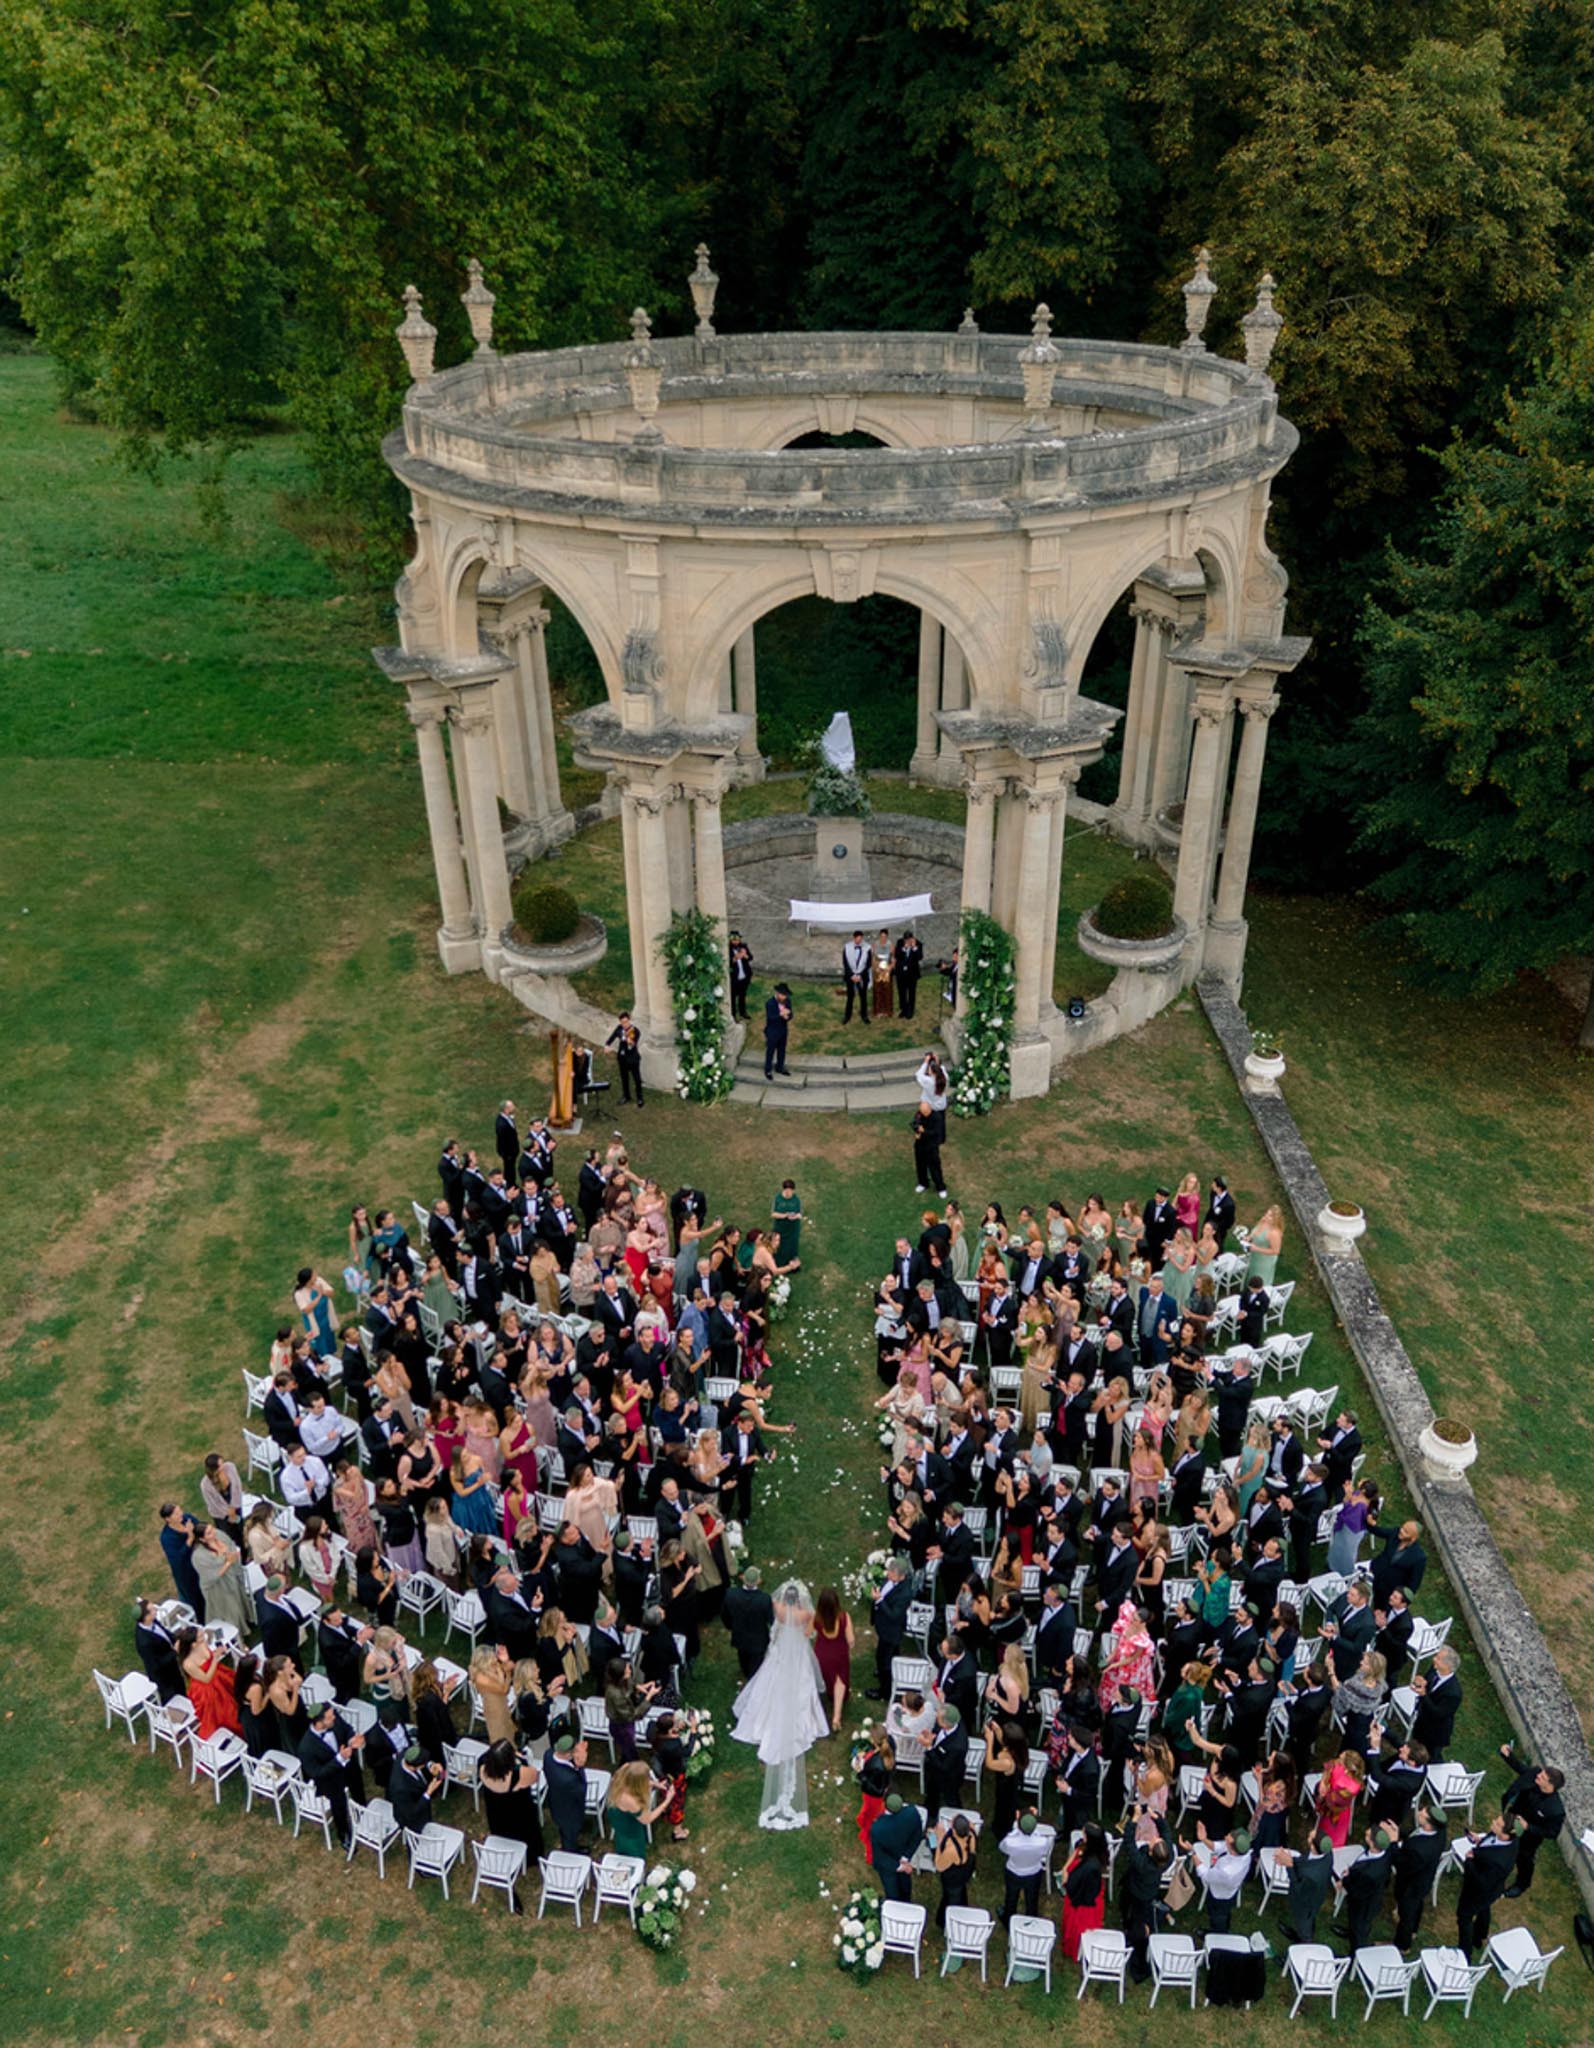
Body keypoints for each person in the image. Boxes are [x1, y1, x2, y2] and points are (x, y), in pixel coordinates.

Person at [729, 1577, 828, 1827]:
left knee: (768, 1683)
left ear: (786, 1598)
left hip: (782, 1653)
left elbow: (774, 1621)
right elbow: (809, 1632)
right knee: (802, 1688)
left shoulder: (779, 1609)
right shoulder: (807, 1612)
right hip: (797, 1654)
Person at [1499, 1740, 1566, 1896]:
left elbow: (1552, 1832)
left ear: (1550, 1786)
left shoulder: (1555, 1810)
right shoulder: (1535, 1775)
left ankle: (1522, 1884)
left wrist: (1528, 1827)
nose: (1538, 1776)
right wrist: (1508, 1755)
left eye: (1542, 1777)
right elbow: (1522, 1769)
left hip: (1528, 1837)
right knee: (1501, 1839)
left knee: (1524, 1859)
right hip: (1513, 1816)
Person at [298, 1698, 365, 1849]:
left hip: (349, 1767)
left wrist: (352, 1738)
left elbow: (347, 1729)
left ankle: (362, 1813)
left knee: (358, 1789)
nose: (334, 1717)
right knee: (339, 1807)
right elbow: (317, 1773)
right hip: (331, 1780)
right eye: (329, 1717)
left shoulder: (334, 1719)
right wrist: (339, 1759)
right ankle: (344, 1835)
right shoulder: (306, 1747)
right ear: (319, 1722)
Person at [1456, 1811, 1520, 1960]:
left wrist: (1469, 1861)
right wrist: (1480, 1841)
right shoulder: (1507, 1839)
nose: (1493, 1823)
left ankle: (1465, 1954)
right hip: (1493, 1889)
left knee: (1464, 1918)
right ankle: (1480, 1936)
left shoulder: (1498, 1862)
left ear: (1506, 1834)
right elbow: (1491, 1840)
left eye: (1497, 1824)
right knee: (1484, 1908)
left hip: (1479, 1892)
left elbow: (1481, 1882)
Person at [1060, 1823, 1107, 1960]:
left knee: (1077, 1927)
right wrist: (1065, 1868)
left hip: (1082, 1901)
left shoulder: (1089, 1866)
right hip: (1086, 1890)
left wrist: (1066, 1879)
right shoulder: (1095, 1850)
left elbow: (1073, 1885)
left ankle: (1075, 1949)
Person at [721, 1564, 776, 1678]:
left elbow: (725, 1615)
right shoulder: (764, 1599)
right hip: (758, 1639)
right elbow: (770, 1619)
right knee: (756, 1665)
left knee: (743, 1656)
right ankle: (753, 1682)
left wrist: (730, 1627)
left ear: (743, 1579)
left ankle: (746, 1672)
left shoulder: (730, 1594)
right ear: (758, 1581)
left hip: (739, 1635)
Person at [812, 1586, 854, 1733]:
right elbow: (851, 1640)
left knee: (826, 1676)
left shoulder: (816, 1617)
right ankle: (836, 1716)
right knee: (839, 1681)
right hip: (839, 1653)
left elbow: (808, 1633)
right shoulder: (844, 1617)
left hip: (822, 1653)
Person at [870, 1792, 924, 1902]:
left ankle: (895, 1907)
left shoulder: (877, 1828)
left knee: (892, 1893)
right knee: (905, 1887)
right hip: (904, 1857)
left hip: (889, 1866)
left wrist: (898, 1866)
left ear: (884, 1805)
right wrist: (905, 1857)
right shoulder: (912, 1812)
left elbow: (880, 1856)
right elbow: (917, 1835)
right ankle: (906, 1903)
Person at [997, 1810, 1048, 1924]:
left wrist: (1016, 1826)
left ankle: (1008, 1919)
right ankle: (1031, 1920)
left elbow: (1002, 1848)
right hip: (1034, 1873)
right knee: (1032, 1900)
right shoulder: (1042, 1841)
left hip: (1014, 1872)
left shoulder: (1010, 1841)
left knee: (1011, 1898)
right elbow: (1044, 1851)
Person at [932, 1812, 978, 1935]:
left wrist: (939, 1839)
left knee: (952, 1900)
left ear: (954, 1831)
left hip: (953, 1879)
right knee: (960, 1894)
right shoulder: (971, 1833)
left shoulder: (952, 1850)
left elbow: (939, 1866)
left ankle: (951, 1926)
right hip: (965, 1872)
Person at [912, 1093, 948, 1200]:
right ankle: (923, 1183)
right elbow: (914, 1123)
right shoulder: (919, 1114)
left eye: (925, 1112)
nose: (923, 1114)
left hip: (931, 1146)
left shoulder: (936, 1118)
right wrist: (917, 1130)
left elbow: (936, 1133)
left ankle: (940, 1187)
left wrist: (924, 1131)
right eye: (922, 1112)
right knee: (920, 1164)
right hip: (920, 1144)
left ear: (929, 1110)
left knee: (934, 1167)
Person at [605, 1012, 644, 1106]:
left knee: (637, 1079)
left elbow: (634, 1043)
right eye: (622, 1022)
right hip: (622, 1058)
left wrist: (630, 1042)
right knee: (624, 1078)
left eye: (626, 1022)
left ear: (629, 1020)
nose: (625, 1024)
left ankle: (640, 1098)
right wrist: (607, 1045)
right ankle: (626, 1096)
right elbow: (612, 1037)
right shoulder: (619, 1029)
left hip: (633, 1058)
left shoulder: (635, 1031)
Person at [770, 1180, 803, 1269]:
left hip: (792, 1228)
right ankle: (778, 1264)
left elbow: (800, 1214)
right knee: (779, 1245)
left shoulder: (796, 1200)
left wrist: (795, 1216)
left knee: (791, 1246)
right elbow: (773, 1214)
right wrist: (784, 1215)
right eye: (787, 1191)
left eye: (791, 1191)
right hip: (780, 1227)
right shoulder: (778, 1199)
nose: (789, 1193)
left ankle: (792, 1265)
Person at [763, 983, 792, 1079]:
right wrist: (780, 1015)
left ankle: (780, 1066)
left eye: (785, 995)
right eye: (783, 995)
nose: (784, 997)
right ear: (778, 993)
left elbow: (791, 1014)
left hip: (783, 1030)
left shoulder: (787, 1001)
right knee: (770, 1051)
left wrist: (787, 1016)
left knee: (782, 1049)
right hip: (772, 1031)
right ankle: (768, 1070)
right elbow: (770, 1018)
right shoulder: (770, 1003)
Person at [842, 933, 871, 1026]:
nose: (859, 941)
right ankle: (847, 1016)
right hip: (851, 977)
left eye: (861, 939)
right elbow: (845, 963)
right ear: (854, 938)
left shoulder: (867, 948)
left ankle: (864, 1015)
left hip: (862, 976)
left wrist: (860, 976)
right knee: (850, 997)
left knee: (863, 997)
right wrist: (851, 975)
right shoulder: (847, 947)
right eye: (857, 939)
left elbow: (868, 963)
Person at [728, 932, 755, 1020]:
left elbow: (750, 957)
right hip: (734, 978)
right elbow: (727, 963)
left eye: (737, 940)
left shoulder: (743, 947)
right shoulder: (727, 949)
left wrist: (745, 955)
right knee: (732, 997)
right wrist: (735, 958)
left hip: (744, 976)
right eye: (734, 940)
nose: (736, 942)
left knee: (742, 995)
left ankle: (743, 1012)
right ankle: (733, 1015)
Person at [871, 928, 894, 1017]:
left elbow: (893, 959)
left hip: (887, 970)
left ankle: (887, 1010)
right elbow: (872, 958)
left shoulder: (891, 945)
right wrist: (875, 967)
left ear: (887, 936)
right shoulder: (875, 945)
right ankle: (878, 1010)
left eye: (885, 937)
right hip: (877, 970)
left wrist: (890, 967)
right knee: (877, 990)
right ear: (879, 936)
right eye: (881, 936)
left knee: (887, 990)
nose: (883, 938)